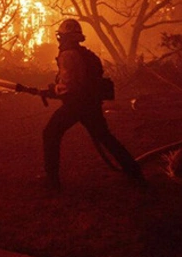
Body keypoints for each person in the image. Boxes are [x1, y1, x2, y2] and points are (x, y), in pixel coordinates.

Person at [40, 19, 146, 192]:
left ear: (65, 37)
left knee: (50, 133)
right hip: (91, 105)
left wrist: (54, 89)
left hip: (76, 105)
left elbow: (69, 84)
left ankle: (52, 180)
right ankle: (134, 171)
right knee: (105, 137)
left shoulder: (68, 55)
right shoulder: (87, 55)